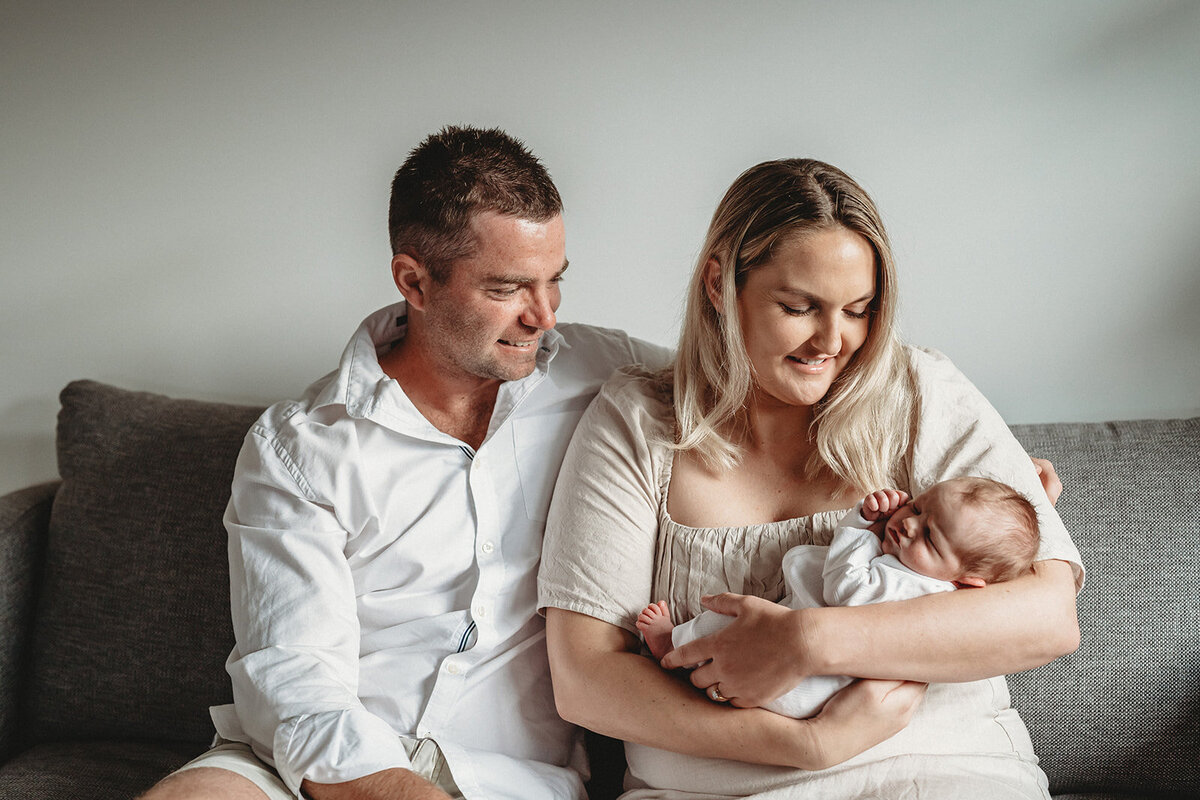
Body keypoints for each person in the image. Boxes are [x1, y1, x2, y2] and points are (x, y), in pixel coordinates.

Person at [138, 126, 679, 800]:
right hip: (312, 764)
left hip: (502, 782)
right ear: (414, 281)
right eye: (508, 288)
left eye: (554, 282)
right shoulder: (299, 446)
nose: (544, 315)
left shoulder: (610, 378)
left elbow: (753, 391)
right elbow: (294, 677)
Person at [538, 157, 1083, 798]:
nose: (832, 339)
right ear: (719, 284)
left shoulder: (921, 393)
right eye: (799, 306)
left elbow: (1047, 619)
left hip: (939, 771)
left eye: (859, 310)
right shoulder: (638, 424)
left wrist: (808, 640)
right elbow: (584, 680)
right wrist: (806, 745)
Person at [638, 477, 1040, 719]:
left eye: (931, 536)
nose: (908, 524)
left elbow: (845, 590)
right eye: (917, 506)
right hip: (807, 676)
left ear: (969, 582)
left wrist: (861, 526)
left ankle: (672, 644)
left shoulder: (915, 588)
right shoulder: (929, 578)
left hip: (804, 686)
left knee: (722, 626)